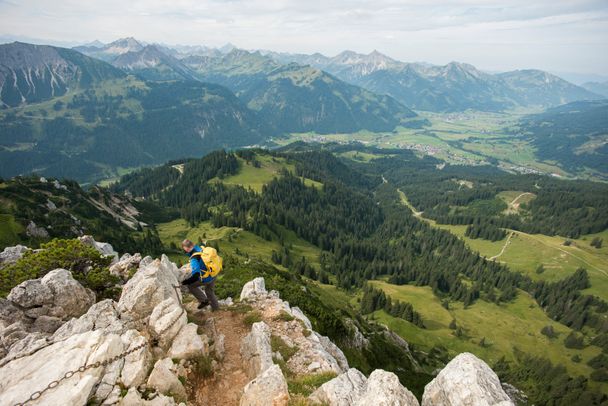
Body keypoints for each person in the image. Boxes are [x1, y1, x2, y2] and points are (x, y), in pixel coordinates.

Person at [181, 239, 219, 311]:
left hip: (207, 278)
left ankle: (204, 301)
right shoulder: (201, 248)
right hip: (214, 273)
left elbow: (196, 276)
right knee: (209, 291)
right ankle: (216, 309)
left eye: (185, 249)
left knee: (191, 286)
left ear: (187, 248)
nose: (185, 251)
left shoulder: (194, 258)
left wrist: (185, 282)